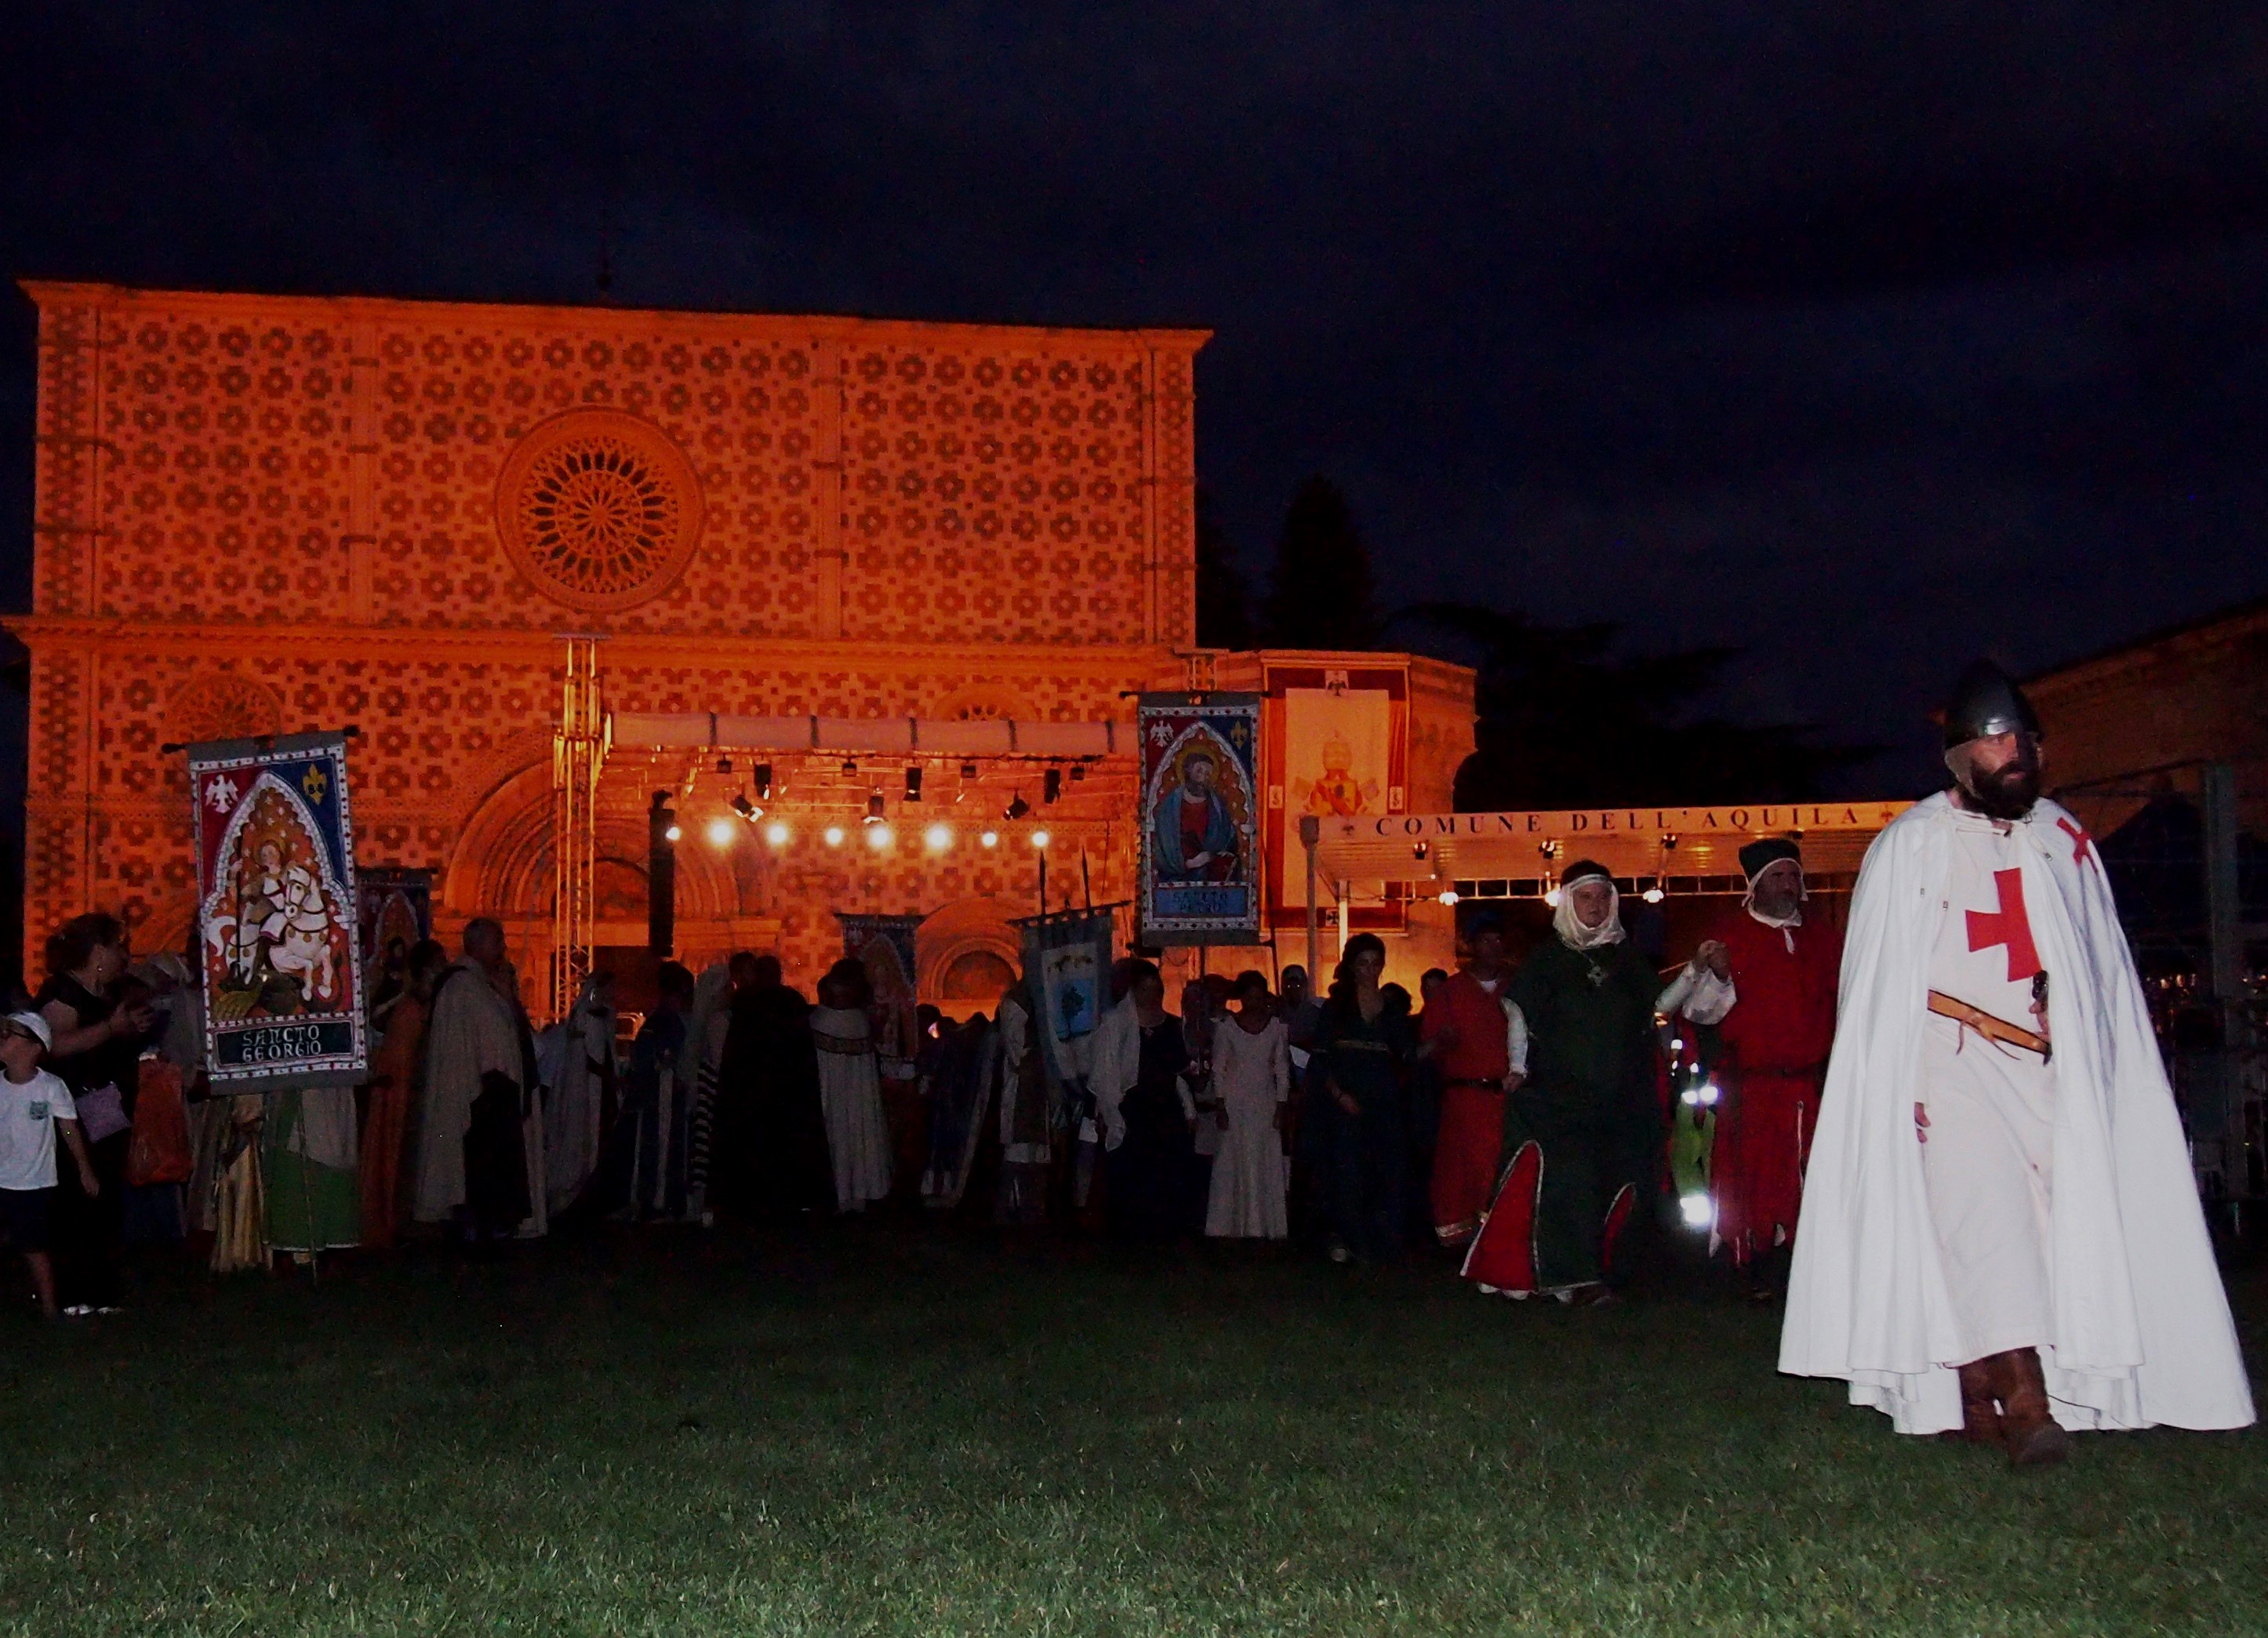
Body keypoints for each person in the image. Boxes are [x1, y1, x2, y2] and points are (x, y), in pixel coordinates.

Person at [1781, 660, 2253, 1462]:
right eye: (2000, 742)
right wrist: (1899, 1084)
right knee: (1986, 1220)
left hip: (2044, 1065)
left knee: (2046, 1228)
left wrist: (2075, 1020)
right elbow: (1877, 987)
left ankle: (1974, 1385)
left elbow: (2098, 964)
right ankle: (2031, 1407)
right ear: (1961, 755)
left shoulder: (2061, 839)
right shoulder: (1911, 845)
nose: (2018, 756)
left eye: (2026, 741)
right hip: (1946, 1056)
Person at [1461, 863, 1660, 1304]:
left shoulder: (1626, 959)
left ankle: (1602, 1270)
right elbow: (1518, 1012)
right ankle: (1576, 1280)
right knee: (1572, 1182)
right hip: (1561, 1095)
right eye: (1586, 897)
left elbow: (1659, 1005)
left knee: (1619, 1179)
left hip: (1620, 1095)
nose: (1596, 905)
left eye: (1603, 897)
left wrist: (1700, 975)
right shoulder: (1549, 958)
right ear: (1569, 902)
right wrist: (1518, 1066)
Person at [1659, 839, 1841, 1298]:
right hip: (1755, 1085)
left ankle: (1811, 1266)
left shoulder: (1826, 940)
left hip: (1813, 1084)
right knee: (1755, 1178)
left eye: (1793, 876)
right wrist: (1719, 975)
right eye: (1777, 876)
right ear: (1756, 885)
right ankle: (1757, 1264)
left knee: (1813, 1176)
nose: (1788, 885)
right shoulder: (1730, 937)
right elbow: (1699, 1014)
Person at [38, 913, 154, 1316]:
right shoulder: (63, 991)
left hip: (104, 1111)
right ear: (99, 950)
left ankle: (101, 1291)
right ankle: (73, 1294)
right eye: (119, 946)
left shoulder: (106, 993)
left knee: (103, 1197)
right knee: (75, 1195)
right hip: (70, 1112)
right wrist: (110, 1029)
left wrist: (128, 1029)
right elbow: (52, 1047)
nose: (125, 955)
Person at [413, 919, 534, 1244]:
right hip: (474, 1096)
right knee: (472, 1170)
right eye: (498, 941)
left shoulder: (481, 986)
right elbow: (468, 1047)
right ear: (478, 945)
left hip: (491, 1094)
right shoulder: (462, 987)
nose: (503, 949)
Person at [1420, 917, 1528, 1248]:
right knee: (1459, 1169)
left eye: (1498, 941)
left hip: (1505, 1097)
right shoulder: (1451, 993)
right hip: (1464, 1095)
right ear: (1472, 945)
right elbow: (1425, 1048)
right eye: (1485, 941)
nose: (1493, 949)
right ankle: (1461, 1240)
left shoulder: (1516, 990)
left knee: (1500, 1166)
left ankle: (1500, 1238)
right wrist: (1442, 1041)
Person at [1309, 935, 1413, 1262]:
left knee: (1383, 1170)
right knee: (1346, 1171)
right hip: (1345, 1100)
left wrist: (1440, 1042)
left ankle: (1380, 1242)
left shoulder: (1391, 1009)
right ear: (1353, 966)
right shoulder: (1336, 1006)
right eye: (1363, 963)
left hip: (1382, 1101)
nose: (1370, 970)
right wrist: (1340, 1095)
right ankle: (1347, 1240)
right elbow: (1321, 1060)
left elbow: (1406, 1053)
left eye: (1375, 963)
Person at [713, 954, 834, 1220]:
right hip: (787, 1092)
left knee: (759, 1146)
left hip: (756, 1092)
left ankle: (756, 1199)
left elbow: (737, 1053)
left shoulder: (747, 1003)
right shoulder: (788, 1002)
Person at [0, 1012, 97, 1321]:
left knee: (34, 1247)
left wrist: (85, 1169)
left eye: (10, 1034)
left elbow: (69, 1128)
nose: (2, 1038)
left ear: (33, 1047)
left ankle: (48, 1307)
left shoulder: (50, 1087)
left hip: (34, 1182)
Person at [1092, 960, 1198, 1241]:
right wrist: (1105, 1112)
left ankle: (1164, 1230)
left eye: (1155, 989)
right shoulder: (1117, 1026)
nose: (1150, 996)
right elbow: (1107, 1072)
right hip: (1133, 1108)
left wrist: (1188, 1109)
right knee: (1131, 1171)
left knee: (1167, 1171)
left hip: (1165, 1108)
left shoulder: (1173, 1025)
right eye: (1144, 989)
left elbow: (1179, 1073)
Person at [360, 938, 444, 1250]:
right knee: (396, 1157)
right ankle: (392, 1223)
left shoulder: (426, 1006)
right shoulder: (409, 1008)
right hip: (400, 1094)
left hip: (415, 1091)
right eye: (437, 965)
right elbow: (398, 1057)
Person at [1205, 971, 1292, 1240]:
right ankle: (1230, 1226)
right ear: (1241, 998)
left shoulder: (1277, 1028)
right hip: (1236, 1103)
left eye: (1259, 997)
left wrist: (1280, 1105)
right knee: (1235, 1160)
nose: (1254, 1003)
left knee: (1263, 1160)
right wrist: (1220, 1104)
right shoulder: (1227, 1028)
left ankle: (1263, 1226)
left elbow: (1282, 1069)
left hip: (1264, 1102)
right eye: (1249, 997)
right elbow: (1219, 1068)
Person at [811, 959, 893, 1213]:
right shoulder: (859, 1021)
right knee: (858, 1136)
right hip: (856, 1104)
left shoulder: (820, 1020)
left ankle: (837, 1194)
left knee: (837, 1137)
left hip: (830, 1100)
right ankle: (858, 1193)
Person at [539, 968, 616, 1221]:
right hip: (585, 1090)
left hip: (601, 1090)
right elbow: (583, 1057)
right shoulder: (584, 1018)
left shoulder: (605, 1018)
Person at [1151, 750, 1241, 881]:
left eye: (1208, 774)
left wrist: (1218, 856)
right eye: (1199, 771)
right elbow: (1163, 847)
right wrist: (1190, 864)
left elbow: (1229, 840)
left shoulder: (1218, 808)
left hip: (1213, 881)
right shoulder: (1169, 808)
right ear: (1187, 771)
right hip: (1176, 882)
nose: (1203, 777)